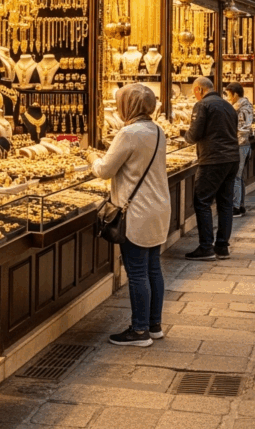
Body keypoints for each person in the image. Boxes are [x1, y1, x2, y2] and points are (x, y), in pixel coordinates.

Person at [88, 84, 170, 347]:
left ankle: (139, 331)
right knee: (153, 268)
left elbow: (105, 170)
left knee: (136, 272)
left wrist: (91, 158)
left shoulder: (128, 133)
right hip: (158, 207)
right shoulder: (157, 130)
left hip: (137, 211)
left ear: (129, 105)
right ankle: (154, 325)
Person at [184, 77, 240, 260]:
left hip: (213, 160)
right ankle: (222, 246)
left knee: (202, 201)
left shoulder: (202, 106)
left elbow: (194, 134)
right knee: (225, 203)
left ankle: (206, 247)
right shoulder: (228, 106)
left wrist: (185, 135)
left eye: (194, 92)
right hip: (232, 158)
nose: (195, 96)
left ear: (199, 89)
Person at [225, 82, 253, 218]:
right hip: (244, 144)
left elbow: (240, 128)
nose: (229, 98)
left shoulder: (239, 107)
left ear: (235, 94)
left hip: (240, 144)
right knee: (240, 176)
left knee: (236, 176)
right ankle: (240, 205)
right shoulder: (246, 105)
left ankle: (235, 207)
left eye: (229, 95)